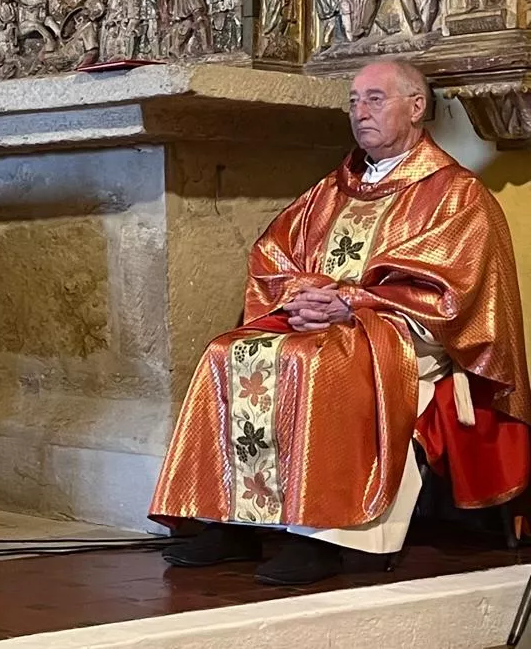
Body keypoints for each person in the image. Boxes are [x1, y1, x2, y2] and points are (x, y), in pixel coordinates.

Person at [150, 59, 531, 585]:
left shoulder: (455, 194)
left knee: (320, 362)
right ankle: (232, 520)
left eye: (375, 99)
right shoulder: (336, 187)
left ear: (416, 107)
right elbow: (272, 253)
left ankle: (325, 536)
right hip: (324, 320)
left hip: (410, 332)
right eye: (353, 101)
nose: (359, 112)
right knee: (227, 350)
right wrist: (300, 294)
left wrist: (351, 302)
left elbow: (455, 291)